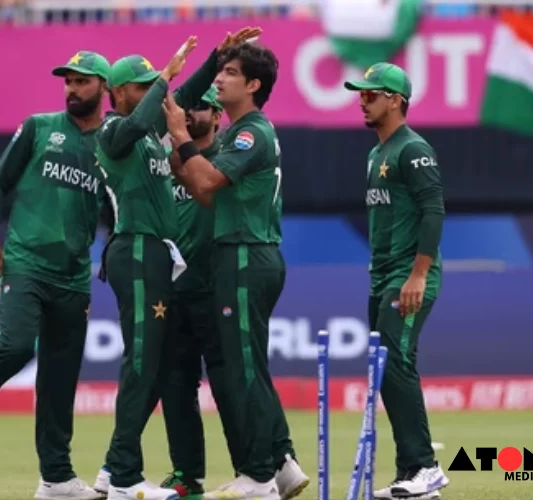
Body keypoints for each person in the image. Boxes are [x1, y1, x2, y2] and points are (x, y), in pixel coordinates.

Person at [91, 28, 262, 500]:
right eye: (141, 86)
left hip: (157, 254)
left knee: (152, 364)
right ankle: (122, 475)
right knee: (143, 361)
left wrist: (215, 58)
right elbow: (144, 115)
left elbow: (180, 97)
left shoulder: (151, 130)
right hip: (136, 247)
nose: (152, 92)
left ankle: (116, 470)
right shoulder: (112, 131)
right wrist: (165, 75)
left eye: (152, 84)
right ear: (118, 92)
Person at [0, 51, 111, 500]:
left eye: (81, 82)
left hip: (74, 275)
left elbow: (118, 209)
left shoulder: (111, 144)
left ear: (103, 87)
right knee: (17, 344)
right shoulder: (39, 127)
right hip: (24, 260)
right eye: (67, 82)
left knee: (60, 378)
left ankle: (56, 477)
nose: (71, 89)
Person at [162, 42, 308, 500]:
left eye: (228, 72)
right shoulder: (235, 134)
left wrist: (179, 136)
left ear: (253, 85)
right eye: (219, 70)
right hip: (238, 255)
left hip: (246, 254)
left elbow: (205, 182)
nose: (218, 79)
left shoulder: (250, 133)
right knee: (248, 367)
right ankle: (279, 467)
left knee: (244, 370)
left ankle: (260, 475)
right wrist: (178, 153)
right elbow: (207, 194)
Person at [343, 62, 450, 499]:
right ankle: (412, 471)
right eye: (361, 93)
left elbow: (434, 211)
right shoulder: (375, 154)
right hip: (382, 275)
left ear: (396, 100)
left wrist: (418, 274)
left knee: (392, 363)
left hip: (409, 277)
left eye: (371, 94)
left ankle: (424, 466)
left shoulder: (413, 148)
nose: (362, 100)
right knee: (387, 368)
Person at [159, 85, 228, 499]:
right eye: (186, 107)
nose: (191, 113)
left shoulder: (226, 159)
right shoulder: (166, 164)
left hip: (215, 286)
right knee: (176, 385)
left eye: (201, 107)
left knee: (230, 385)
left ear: (218, 116)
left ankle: (255, 471)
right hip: (173, 293)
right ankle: (187, 474)